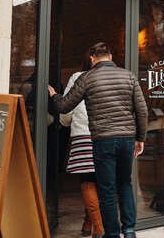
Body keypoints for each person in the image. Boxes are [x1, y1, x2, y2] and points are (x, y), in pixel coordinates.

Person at [48, 42, 148, 238]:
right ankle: (129, 231)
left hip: (103, 140)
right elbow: (142, 110)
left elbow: (64, 106)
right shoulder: (128, 75)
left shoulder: (87, 77)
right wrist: (140, 138)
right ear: (110, 57)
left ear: (93, 59)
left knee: (107, 188)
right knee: (125, 184)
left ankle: (111, 234)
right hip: (127, 139)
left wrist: (54, 96)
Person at [59, 53, 104, 238]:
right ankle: (88, 224)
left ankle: (99, 230)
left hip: (83, 135)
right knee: (102, 182)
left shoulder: (78, 77)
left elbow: (67, 107)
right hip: (106, 136)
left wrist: (64, 121)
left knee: (87, 180)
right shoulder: (110, 78)